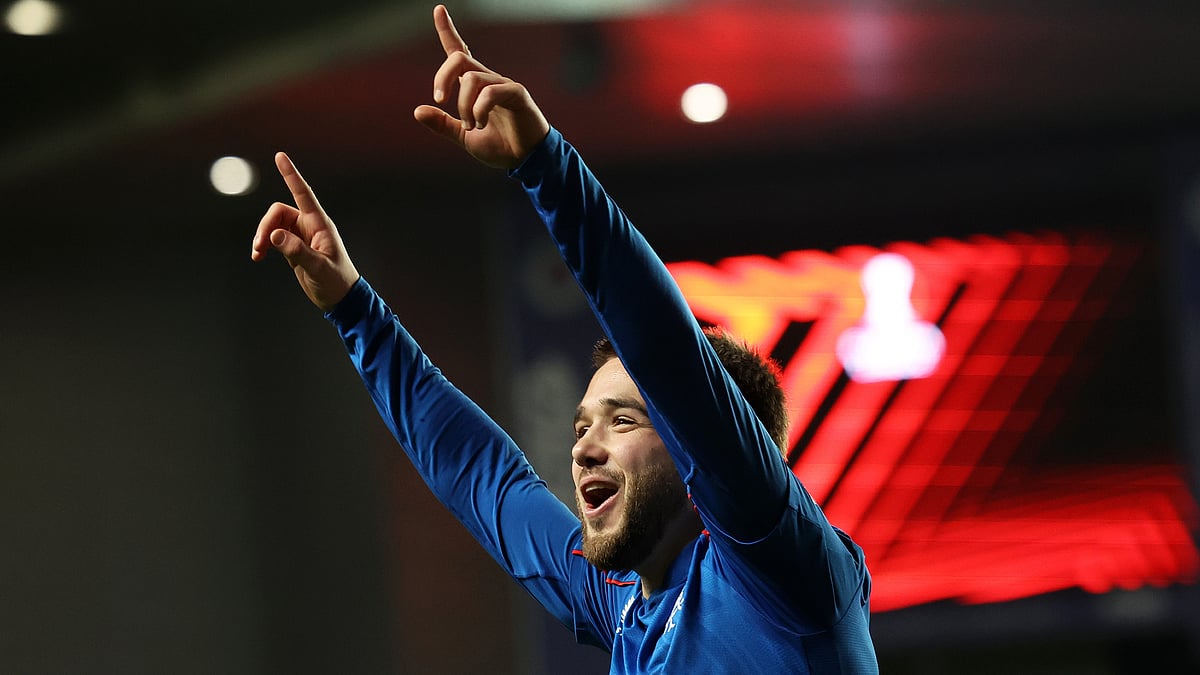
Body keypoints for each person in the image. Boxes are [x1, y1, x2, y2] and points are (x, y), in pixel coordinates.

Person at [251, 5, 878, 672]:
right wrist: (355, 311)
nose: (583, 447)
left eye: (622, 419)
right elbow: (485, 479)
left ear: (700, 455)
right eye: (583, 425)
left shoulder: (784, 574)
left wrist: (545, 167)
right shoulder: (628, 602)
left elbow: (667, 353)